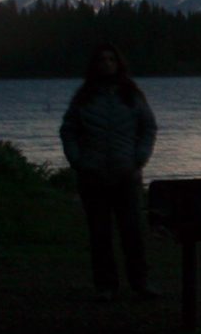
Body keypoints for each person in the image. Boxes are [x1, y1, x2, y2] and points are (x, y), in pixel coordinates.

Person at [59, 42, 159, 301]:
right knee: (100, 233)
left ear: (118, 63)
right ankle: (106, 286)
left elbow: (148, 127)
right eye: (102, 60)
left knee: (133, 232)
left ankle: (140, 282)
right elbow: (68, 130)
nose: (107, 64)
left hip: (126, 174)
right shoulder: (84, 97)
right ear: (95, 65)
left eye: (111, 59)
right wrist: (77, 160)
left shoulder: (132, 94)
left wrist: (139, 157)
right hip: (92, 175)